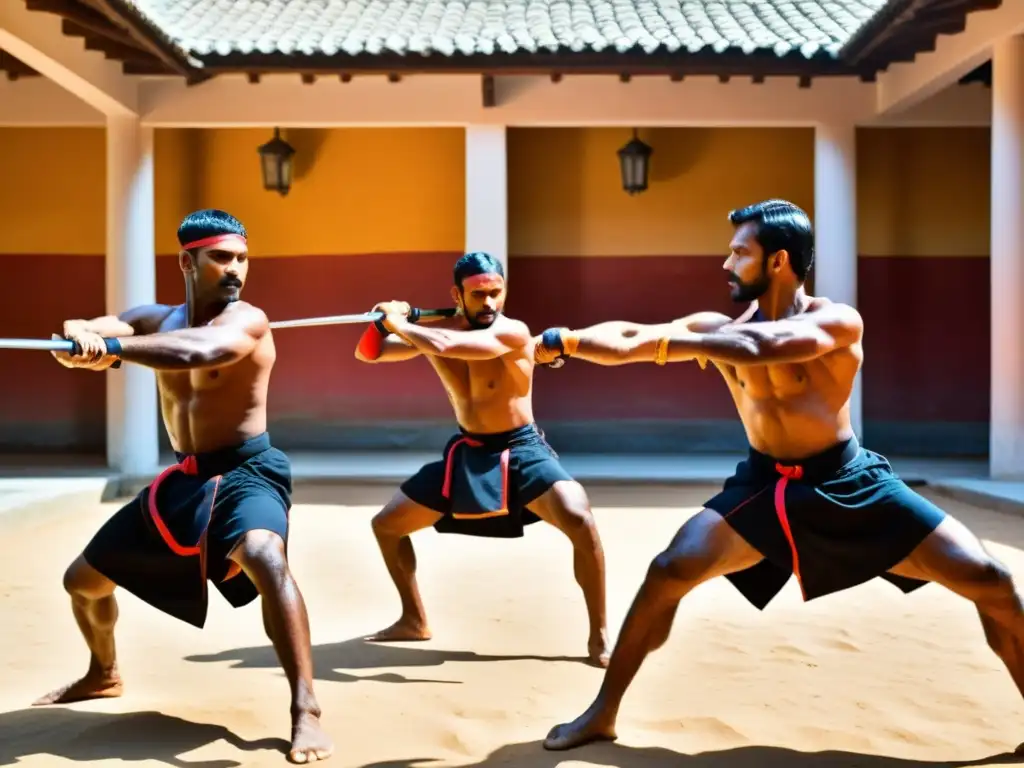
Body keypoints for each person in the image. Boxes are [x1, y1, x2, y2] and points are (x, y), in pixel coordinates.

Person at [535, 199, 1024, 751]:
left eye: (739, 252)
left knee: (991, 579)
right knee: (670, 570)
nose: (726, 264)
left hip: (849, 480)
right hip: (765, 483)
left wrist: (680, 345)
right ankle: (603, 712)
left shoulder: (836, 319)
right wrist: (563, 341)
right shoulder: (715, 328)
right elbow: (630, 338)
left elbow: (764, 346)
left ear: (778, 261)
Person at [37, 209, 333, 765]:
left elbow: (200, 352)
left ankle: (306, 709)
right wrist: (80, 335)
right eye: (222, 257)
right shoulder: (157, 318)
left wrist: (117, 352)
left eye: (242, 257)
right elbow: (109, 324)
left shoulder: (248, 321)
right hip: (187, 479)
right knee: (82, 583)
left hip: (250, 472)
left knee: (266, 556)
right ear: (187, 261)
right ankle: (103, 674)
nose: (236, 269)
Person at [354, 252, 610, 666]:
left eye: (496, 293)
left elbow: (452, 345)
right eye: (478, 295)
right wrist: (381, 321)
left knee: (580, 519)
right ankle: (413, 619)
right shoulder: (430, 333)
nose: (490, 303)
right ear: (457, 294)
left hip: (522, 448)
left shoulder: (512, 332)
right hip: (469, 451)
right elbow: (370, 353)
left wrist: (401, 323)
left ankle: (599, 636)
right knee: (386, 526)